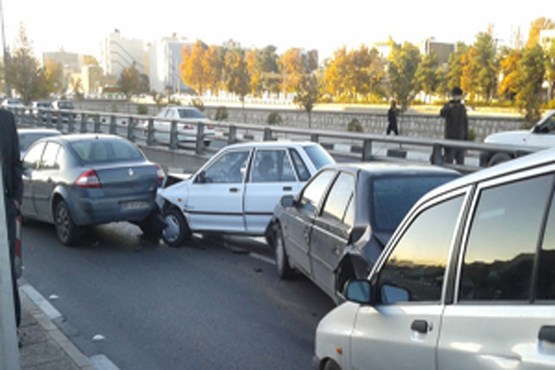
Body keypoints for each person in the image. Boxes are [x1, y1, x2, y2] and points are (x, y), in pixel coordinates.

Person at [0, 108, 23, 328]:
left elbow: (16, 161)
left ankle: (11, 328)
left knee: (5, 270)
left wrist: (16, 199)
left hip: (3, 208)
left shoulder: (6, 119)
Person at [440, 87, 468, 164]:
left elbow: (465, 123)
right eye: (455, 95)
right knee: (449, 160)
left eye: (459, 95)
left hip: (460, 138)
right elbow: (442, 113)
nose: (457, 97)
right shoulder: (448, 105)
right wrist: (450, 107)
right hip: (450, 137)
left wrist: (466, 137)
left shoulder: (462, 107)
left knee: (460, 162)